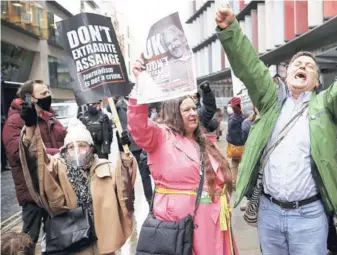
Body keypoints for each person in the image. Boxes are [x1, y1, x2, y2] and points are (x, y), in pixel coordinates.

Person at [215, 4, 337, 254]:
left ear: (317, 81)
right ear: (286, 73)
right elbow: (249, 68)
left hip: (309, 216)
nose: (302, 66)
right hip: (269, 214)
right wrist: (231, 31)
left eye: (309, 66)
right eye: (296, 63)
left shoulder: (327, 104)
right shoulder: (269, 101)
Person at [129, 59, 239, 254]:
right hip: (183, 226)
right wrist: (140, 85)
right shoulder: (161, 136)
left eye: (194, 108)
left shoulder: (202, 140)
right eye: (186, 110)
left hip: (214, 224)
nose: (193, 113)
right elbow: (138, 126)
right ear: (174, 113)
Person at [19, 116, 136, 254]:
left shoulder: (107, 168)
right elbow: (38, 161)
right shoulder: (58, 169)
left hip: (103, 243)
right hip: (74, 244)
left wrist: (124, 153)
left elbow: (125, 189)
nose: (76, 150)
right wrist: (31, 127)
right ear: (64, 150)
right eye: (71, 147)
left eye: (82, 145)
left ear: (91, 148)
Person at [2, 80, 67, 245]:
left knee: (59, 236)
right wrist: (59, 153)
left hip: (54, 188)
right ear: (30, 98)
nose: (48, 96)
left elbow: (66, 143)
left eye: (48, 92)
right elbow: (17, 153)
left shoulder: (51, 119)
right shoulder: (15, 122)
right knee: (29, 240)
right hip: (33, 193)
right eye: (43, 94)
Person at [226, 96, 248, 188]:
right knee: (245, 165)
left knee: (234, 165)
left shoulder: (231, 118)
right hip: (242, 146)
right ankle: (244, 183)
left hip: (232, 146)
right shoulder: (243, 118)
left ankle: (233, 182)